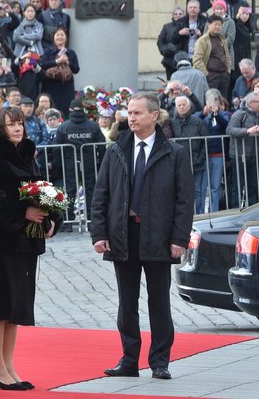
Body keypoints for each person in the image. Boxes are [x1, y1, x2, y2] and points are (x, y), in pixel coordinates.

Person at [90, 93, 193, 381]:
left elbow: (185, 201)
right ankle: (129, 359)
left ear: (154, 115)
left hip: (159, 236)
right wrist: (99, 232)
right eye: (129, 113)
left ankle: (160, 361)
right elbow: (102, 195)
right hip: (124, 233)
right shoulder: (117, 151)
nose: (131, 118)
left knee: (159, 301)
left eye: (137, 113)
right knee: (127, 302)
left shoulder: (174, 153)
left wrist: (179, 239)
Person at [0, 106, 59, 391]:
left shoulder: (27, 155)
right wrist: (22, 212)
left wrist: (50, 216)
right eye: (11, 124)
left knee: (16, 307)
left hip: (25, 241)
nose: (17, 128)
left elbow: (42, 189)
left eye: (20, 123)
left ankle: (9, 365)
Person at [226, 92, 259, 207]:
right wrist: (246, 131)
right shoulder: (239, 114)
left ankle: (252, 210)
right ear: (250, 103)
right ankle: (236, 211)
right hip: (239, 155)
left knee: (252, 186)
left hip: (256, 155)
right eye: (258, 102)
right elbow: (230, 129)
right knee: (238, 187)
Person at [168, 96, 209, 215]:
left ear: (189, 106)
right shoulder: (172, 122)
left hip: (196, 162)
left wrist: (200, 158)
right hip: (179, 163)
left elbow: (206, 141)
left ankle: (199, 215)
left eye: (183, 104)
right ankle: (184, 216)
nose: (181, 107)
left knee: (197, 191)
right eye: (179, 105)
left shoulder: (197, 122)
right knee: (180, 191)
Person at [197, 90, 231, 213]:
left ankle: (214, 212)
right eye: (208, 100)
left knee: (215, 187)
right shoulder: (202, 115)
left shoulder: (224, 114)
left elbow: (226, 126)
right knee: (201, 187)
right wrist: (203, 114)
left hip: (218, 154)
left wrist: (217, 114)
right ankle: (200, 213)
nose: (211, 103)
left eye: (213, 100)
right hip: (204, 155)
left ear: (218, 101)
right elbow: (195, 123)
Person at [41, 28, 80, 116]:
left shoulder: (71, 53)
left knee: (66, 111)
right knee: (52, 110)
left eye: (62, 35)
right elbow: (43, 65)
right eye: (57, 35)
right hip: (51, 85)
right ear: (54, 37)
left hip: (66, 86)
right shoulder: (48, 52)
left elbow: (76, 69)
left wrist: (67, 62)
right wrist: (57, 61)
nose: (60, 37)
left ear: (66, 37)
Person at [192, 15, 232, 98]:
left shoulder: (222, 39)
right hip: (211, 76)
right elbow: (197, 60)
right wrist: (207, 74)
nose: (217, 27)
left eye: (219, 25)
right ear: (209, 25)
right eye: (215, 24)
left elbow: (227, 56)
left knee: (223, 101)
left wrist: (228, 71)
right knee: (211, 101)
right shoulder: (202, 41)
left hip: (224, 75)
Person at [156, 6, 187, 79]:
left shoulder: (186, 25)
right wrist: (165, 50)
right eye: (175, 14)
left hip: (183, 61)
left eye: (180, 14)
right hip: (169, 60)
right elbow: (160, 41)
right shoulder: (167, 26)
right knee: (171, 84)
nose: (178, 15)